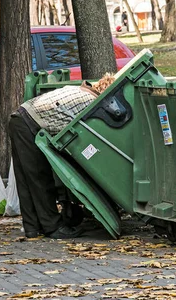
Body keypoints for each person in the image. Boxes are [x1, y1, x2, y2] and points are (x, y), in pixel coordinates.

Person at [8, 74, 115, 239]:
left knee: (25, 179)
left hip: (20, 119)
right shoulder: (89, 102)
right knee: (40, 178)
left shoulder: (79, 90)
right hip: (30, 125)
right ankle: (52, 227)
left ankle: (32, 227)